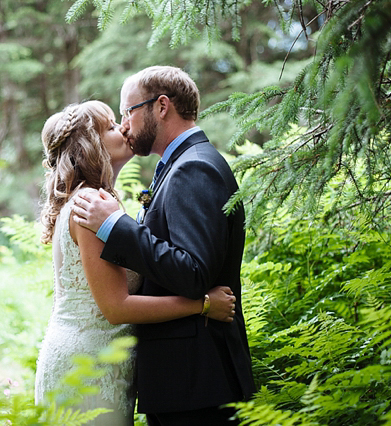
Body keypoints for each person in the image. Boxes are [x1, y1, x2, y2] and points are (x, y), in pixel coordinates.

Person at [72, 66, 256, 425]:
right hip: (186, 381)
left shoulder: (194, 168)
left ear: (161, 106)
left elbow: (193, 272)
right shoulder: (179, 164)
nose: (124, 125)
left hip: (197, 381)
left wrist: (115, 225)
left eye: (128, 111)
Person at [34, 100, 237, 426]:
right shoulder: (90, 205)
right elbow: (116, 307)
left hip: (101, 362)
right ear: (92, 143)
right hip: (89, 369)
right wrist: (202, 304)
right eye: (112, 126)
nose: (124, 128)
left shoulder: (95, 201)